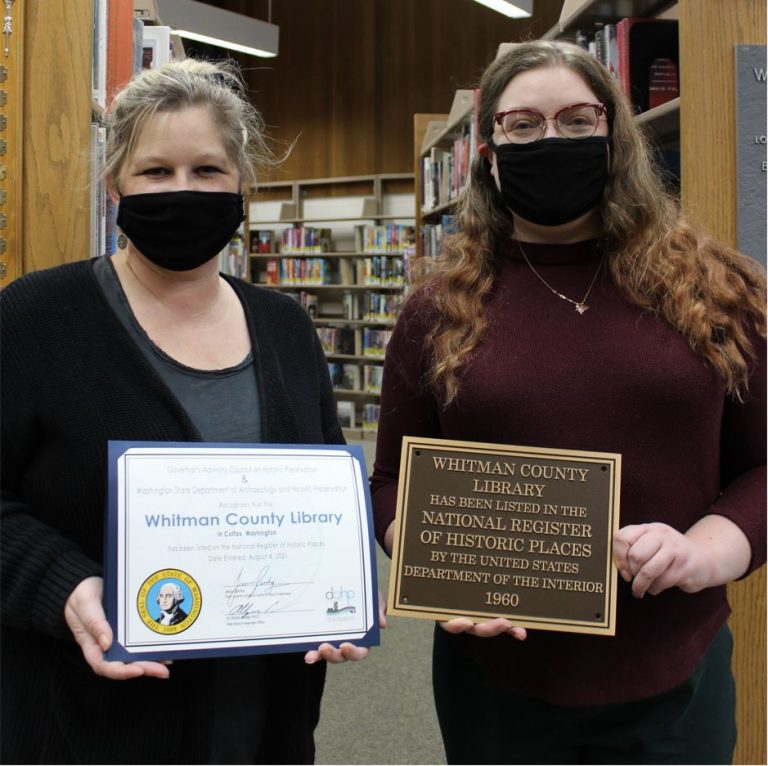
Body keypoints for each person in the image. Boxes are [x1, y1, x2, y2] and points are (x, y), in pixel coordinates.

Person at [371, 40, 766, 765]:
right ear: (487, 153)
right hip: (498, 681)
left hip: (675, 670)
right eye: (523, 125)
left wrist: (708, 550)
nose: (550, 140)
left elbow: (763, 467)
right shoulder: (437, 311)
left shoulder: (717, 290)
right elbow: (391, 483)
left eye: (577, 121)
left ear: (614, 137)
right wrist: (433, 564)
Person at [1, 58, 372, 765]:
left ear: (242, 186)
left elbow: (325, 489)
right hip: (89, 724)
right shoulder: (35, 318)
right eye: (155, 172)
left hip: (265, 726)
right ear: (114, 186)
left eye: (207, 171)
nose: (183, 191)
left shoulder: (286, 327)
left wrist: (338, 589)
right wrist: (65, 585)